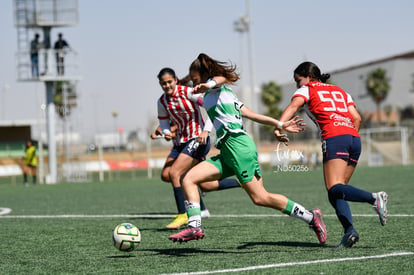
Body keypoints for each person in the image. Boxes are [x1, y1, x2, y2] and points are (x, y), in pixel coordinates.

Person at [169, 54, 327, 244]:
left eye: (196, 79)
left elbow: (221, 78)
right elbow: (252, 115)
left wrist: (208, 84)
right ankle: (195, 227)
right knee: (188, 179)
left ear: (206, 76)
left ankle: (311, 217)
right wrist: (279, 123)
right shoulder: (223, 96)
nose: (195, 83)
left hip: (238, 147)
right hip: (228, 150)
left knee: (260, 198)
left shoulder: (218, 88)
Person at [275, 61, 388, 249]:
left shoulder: (307, 89)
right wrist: (349, 135)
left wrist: (279, 126)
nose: (297, 85)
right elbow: (357, 118)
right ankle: (349, 232)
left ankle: (374, 198)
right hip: (354, 138)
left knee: (334, 188)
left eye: (298, 80)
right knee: (339, 190)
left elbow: (293, 106)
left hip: (335, 138)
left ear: (309, 77)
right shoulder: (341, 91)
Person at [156, 68, 240, 229]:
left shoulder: (188, 92)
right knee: (202, 183)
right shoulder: (161, 101)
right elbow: (164, 123)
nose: (166, 86)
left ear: (175, 80)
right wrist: (166, 132)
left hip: (197, 139)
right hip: (180, 143)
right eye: (163, 84)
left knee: (175, 173)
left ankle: (183, 215)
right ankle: (205, 207)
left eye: (169, 82)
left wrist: (205, 130)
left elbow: (211, 108)